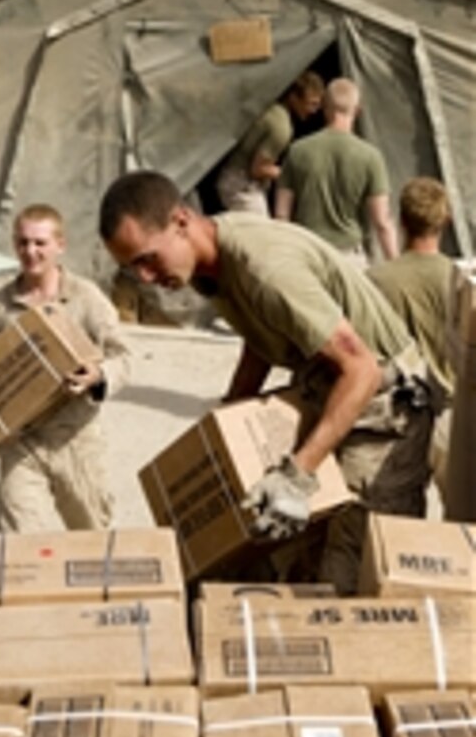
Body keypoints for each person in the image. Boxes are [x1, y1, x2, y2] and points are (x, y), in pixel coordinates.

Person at [99, 170, 435, 596]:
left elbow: (361, 368)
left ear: (181, 221)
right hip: (331, 393)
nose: (145, 278)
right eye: (132, 269)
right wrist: (232, 410)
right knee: (295, 562)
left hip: (383, 411)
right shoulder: (210, 264)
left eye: (147, 258)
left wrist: (298, 475)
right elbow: (264, 329)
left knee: (358, 578)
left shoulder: (264, 267)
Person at [0, 204, 130, 532]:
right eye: (22, 243)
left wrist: (98, 376)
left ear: (60, 245)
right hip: (21, 443)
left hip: (75, 438)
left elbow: (123, 356)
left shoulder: (85, 298)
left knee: (94, 538)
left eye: (40, 243)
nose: (30, 252)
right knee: (15, 544)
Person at [367, 177, 454, 500]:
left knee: (397, 532)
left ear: (401, 220)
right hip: (453, 421)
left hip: (398, 420)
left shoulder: (375, 281)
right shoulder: (462, 283)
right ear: (446, 220)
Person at [275, 77, 398, 266]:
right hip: (350, 259)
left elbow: (282, 215)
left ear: (324, 107)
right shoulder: (371, 157)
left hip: (308, 254)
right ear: (357, 111)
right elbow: (382, 222)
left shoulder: (297, 151)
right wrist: (395, 265)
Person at [216, 71, 324, 216]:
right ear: (293, 98)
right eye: (311, 104)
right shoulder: (281, 128)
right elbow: (258, 169)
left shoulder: (272, 110)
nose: (314, 111)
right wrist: (290, 174)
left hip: (234, 181)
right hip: (241, 186)